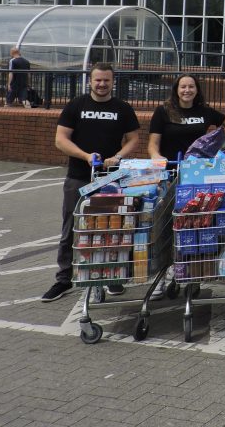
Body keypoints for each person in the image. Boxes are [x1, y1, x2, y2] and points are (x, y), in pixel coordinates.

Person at [42, 62, 140, 302]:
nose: (102, 84)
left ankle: (114, 277)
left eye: (106, 80)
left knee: (113, 227)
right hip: (78, 177)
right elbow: (60, 140)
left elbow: (134, 139)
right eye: (98, 80)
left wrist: (117, 156)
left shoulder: (122, 108)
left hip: (111, 179)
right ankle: (64, 279)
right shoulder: (76, 105)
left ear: (112, 82)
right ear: (90, 81)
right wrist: (85, 156)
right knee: (72, 228)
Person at [148, 73, 225, 162]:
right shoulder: (162, 111)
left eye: (191, 87)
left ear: (197, 90)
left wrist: (218, 144)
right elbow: (153, 143)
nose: (187, 90)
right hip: (171, 165)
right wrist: (155, 155)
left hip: (196, 165)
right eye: (183, 87)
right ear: (176, 90)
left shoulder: (205, 111)